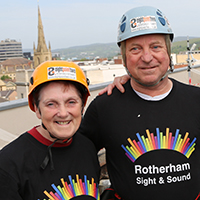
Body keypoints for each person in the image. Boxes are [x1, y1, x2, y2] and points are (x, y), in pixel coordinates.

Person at [80, 6, 200, 200]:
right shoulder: (104, 108)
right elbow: (74, 158)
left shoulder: (196, 101)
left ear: (168, 51)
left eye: (156, 47)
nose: (146, 57)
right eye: (135, 49)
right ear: (124, 57)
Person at [0, 61, 100, 200]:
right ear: (36, 109)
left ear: (82, 106)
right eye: (51, 104)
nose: (63, 113)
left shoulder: (87, 147)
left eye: (71, 102)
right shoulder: (8, 164)